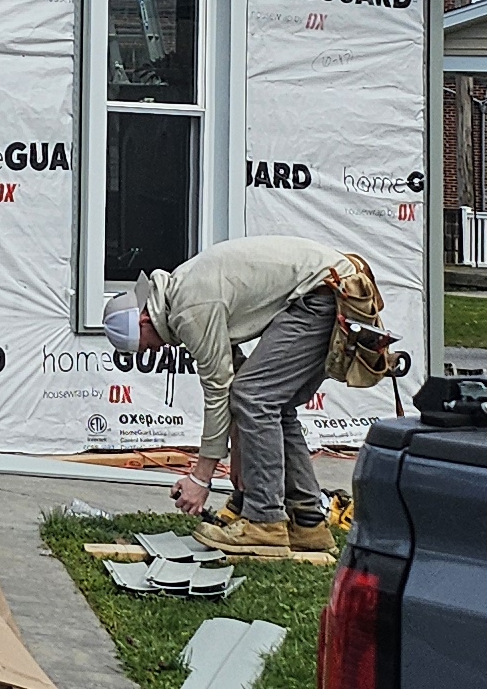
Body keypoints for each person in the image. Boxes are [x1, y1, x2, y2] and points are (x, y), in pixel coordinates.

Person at [103, 233, 362, 552]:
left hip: (326, 293)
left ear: (145, 319)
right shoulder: (180, 290)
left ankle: (264, 520)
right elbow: (233, 378)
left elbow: (218, 392)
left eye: (146, 344)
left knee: (256, 397)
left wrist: (200, 479)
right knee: (269, 402)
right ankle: (308, 522)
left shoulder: (190, 307)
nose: (156, 349)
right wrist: (240, 456)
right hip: (329, 289)